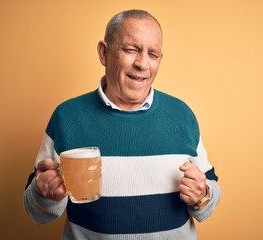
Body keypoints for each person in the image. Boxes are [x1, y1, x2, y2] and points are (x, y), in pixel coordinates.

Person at [24, 9, 221, 240]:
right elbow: (37, 211)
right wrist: (45, 194)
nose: (142, 64)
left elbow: (209, 193)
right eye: (131, 50)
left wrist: (203, 194)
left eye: (153, 54)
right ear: (104, 53)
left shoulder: (182, 115)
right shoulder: (67, 117)